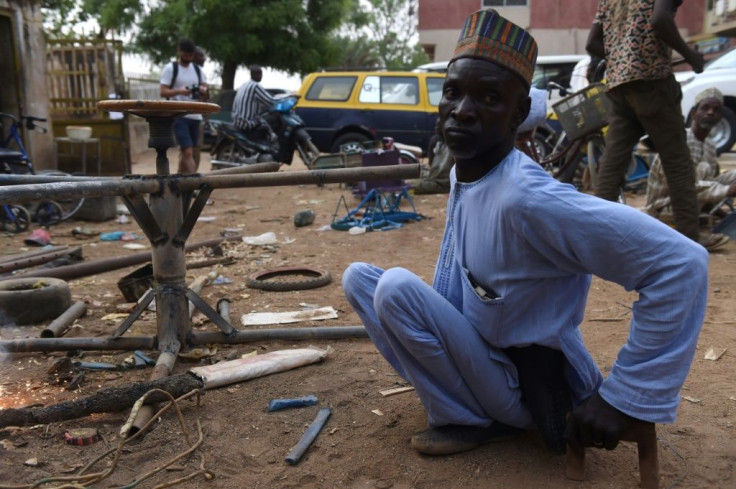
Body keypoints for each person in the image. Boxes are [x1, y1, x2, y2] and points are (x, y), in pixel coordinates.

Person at [342, 9, 708, 458]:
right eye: (453, 93)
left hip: (531, 386)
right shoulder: (467, 171)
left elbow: (681, 263)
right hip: (484, 356)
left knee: (397, 287)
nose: (462, 111)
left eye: (489, 98)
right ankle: (464, 404)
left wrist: (626, 395)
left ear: (516, 115)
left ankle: (473, 419)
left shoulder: (526, 198)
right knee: (360, 278)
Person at [585, 0, 724, 249]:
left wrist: (622, 56)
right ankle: (688, 242)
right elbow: (660, 20)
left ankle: (594, 237)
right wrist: (691, 55)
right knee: (678, 163)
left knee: (612, 163)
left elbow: (592, 43)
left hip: (619, 86)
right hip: (653, 81)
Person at [644, 88, 735, 247]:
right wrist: (725, 190)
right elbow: (682, 187)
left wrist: (719, 210)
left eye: (716, 109)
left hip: (694, 200)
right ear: (694, 113)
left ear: (721, 117)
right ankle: (692, 236)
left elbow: (708, 182)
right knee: (704, 169)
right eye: (705, 108)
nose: (710, 112)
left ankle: (702, 220)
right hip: (666, 206)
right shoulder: (680, 142)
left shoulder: (710, 146)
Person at [160, 38, 208, 174]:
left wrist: (202, 91)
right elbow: (163, 91)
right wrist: (181, 91)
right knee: (187, 151)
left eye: (191, 55)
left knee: (194, 152)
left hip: (196, 116)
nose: (188, 58)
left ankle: (181, 185)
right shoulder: (171, 68)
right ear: (179, 52)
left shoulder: (198, 70)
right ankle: (194, 183)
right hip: (178, 115)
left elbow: (206, 92)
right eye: (186, 55)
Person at [232, 65, 276, 142]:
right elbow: (270, 101)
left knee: (262, 119)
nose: (261, 76)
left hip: (237, 121)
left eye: (261, 74)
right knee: (269, 123)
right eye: (259, 74)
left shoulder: (244, 85)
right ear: (253, 74)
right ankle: (270, 143)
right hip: (247, 123)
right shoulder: (256, 86)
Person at [192, 46, 209, 172]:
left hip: (197, 117)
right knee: (187, 150)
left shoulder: (200, 73)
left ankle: (191, 180)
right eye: (200, 56)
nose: (203, 59)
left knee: (196, 149)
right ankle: (184, 181)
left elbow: (205, 96)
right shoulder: (183, 71)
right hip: (183, 116)